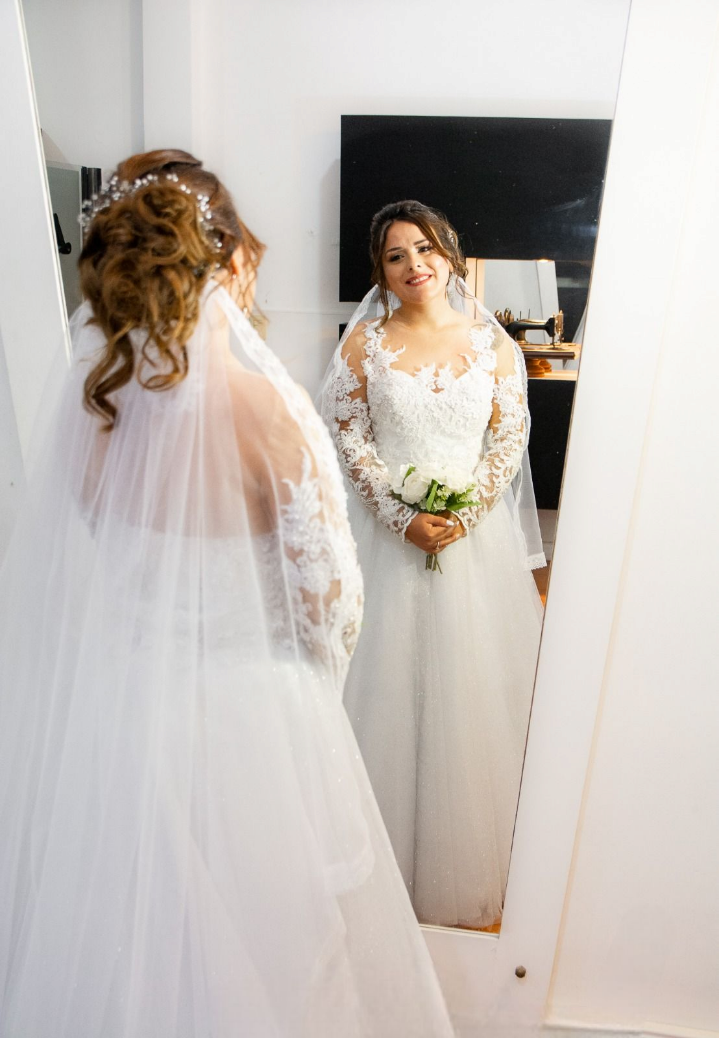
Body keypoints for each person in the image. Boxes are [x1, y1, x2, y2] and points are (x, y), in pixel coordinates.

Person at [0, 155, 454, 1037]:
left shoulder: (94, 412)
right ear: (231, 261)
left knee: (148, 961)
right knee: (282, 966)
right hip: (254, 726)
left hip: (129, 723)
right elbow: (330, 605)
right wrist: (306, 698)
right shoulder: (264, 411)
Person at [320, 200, 545, 930]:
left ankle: (462, 865)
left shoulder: (493, 345)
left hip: (469, 545)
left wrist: (465, 513)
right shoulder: (364, 347)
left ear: (447, 255)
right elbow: (348, 435)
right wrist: (400, 516)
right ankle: (368, 864)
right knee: (381, 692)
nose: (413, 265)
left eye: (423, 249)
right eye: (394, 255)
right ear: (378, 271)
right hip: (386, 539)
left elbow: (508, 440)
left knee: (467, 693)